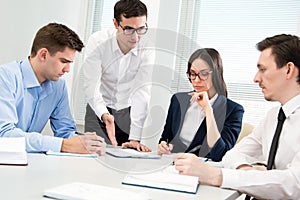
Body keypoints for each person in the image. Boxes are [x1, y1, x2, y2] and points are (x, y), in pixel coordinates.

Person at [174, 34, 300, 199]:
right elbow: (232, 155)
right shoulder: (274, 116)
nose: (256, 78)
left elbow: (294, 184)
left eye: (263, 69)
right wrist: (245, 170)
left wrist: (215, 175)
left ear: (288, 70)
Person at [0, 23, 106, 155]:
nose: (67, 70)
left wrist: (88, 143)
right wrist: (63, 145)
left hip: (30, 163)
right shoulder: (5, 77)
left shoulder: (58, 86)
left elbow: (65, 131)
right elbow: (4, 136)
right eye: (63, 61)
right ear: (43, 55)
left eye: (69, 63)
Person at [82, 0, 154, 151]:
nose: (135, 37)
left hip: (127, 112)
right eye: (128, 29)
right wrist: (103, 113)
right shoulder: (98, 41)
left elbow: (141, 92)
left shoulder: (147, 48)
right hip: (98, 108)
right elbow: (91, 85)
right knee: (94, 157)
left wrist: (135, 137)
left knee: (124, 159)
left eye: (141, 29)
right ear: (116, 23)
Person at [158, 48, 244, 161]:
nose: (196, 80)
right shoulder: (178, 100)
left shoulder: (233, 110)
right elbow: (166, 137)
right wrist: (163, 146)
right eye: (192, 74)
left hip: (203, 170)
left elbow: (220, 154)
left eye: (203, 74)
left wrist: (208, 109)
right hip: (174, 165)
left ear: (216, 73)